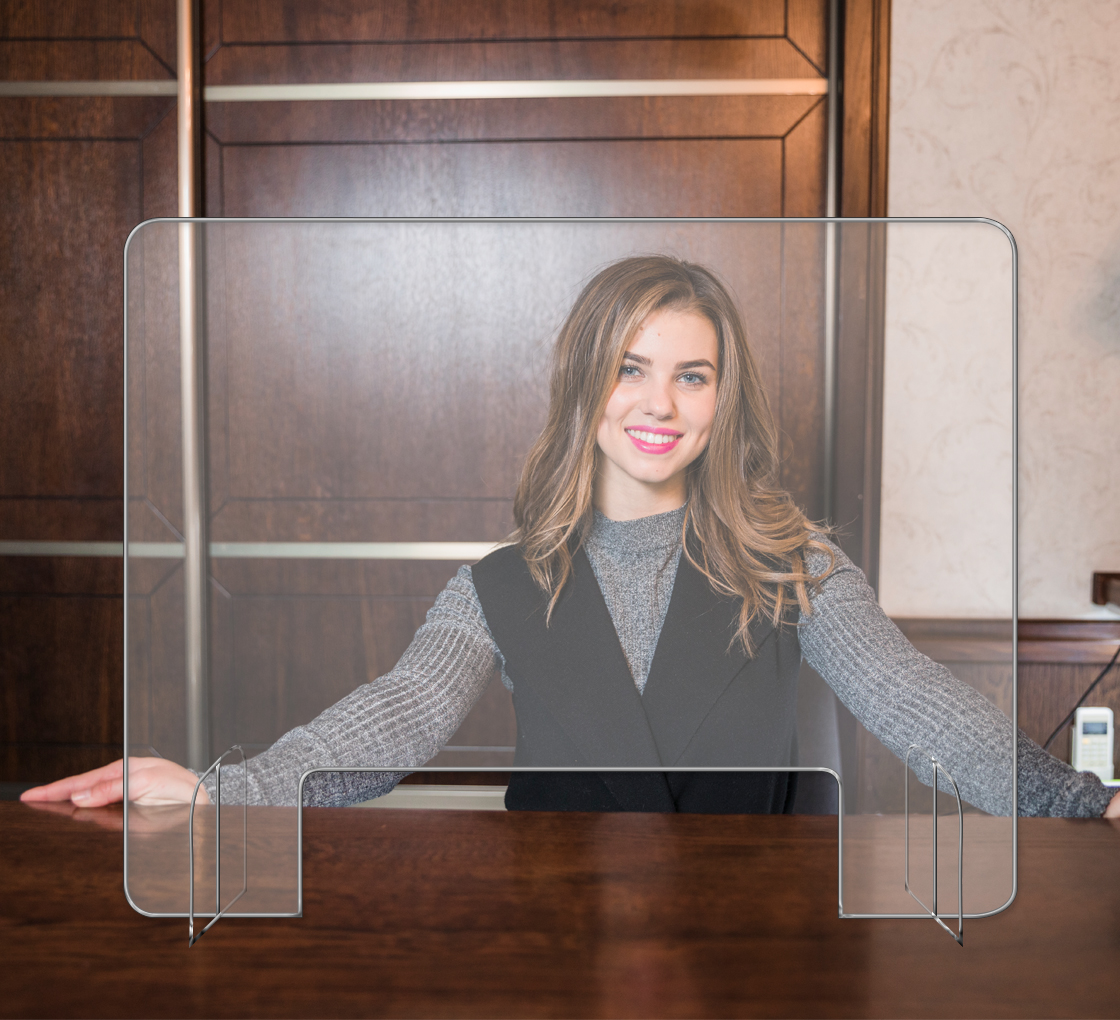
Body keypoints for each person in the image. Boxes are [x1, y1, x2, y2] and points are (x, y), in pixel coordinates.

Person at [22, 256, 1120, 818]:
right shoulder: (498, 587)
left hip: (760, 958)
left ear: (720, 399)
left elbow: (918, 709)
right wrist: (222, 792)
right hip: (549, 946)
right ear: (584, 384)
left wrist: (1090, 802)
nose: (660, 401)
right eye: (630, 367)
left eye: (692, 374)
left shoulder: (797, 568)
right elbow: (392, 720)